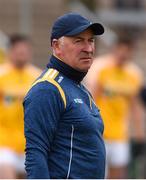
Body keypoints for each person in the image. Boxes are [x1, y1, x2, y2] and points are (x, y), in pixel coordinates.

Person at [23, 12, 106, 179]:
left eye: (91, 40)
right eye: (78, 41)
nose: (88, 48)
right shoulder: (48, 89)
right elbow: (35, 154)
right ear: (56, 46)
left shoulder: (78, 86)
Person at [84, 37, 145, 178]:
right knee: (98, 174)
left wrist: (139, 133)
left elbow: (135, 107)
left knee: (118, 175)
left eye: (128, 51)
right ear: (115, 49)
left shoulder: (134, 74)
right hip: (100, 133)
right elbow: (90, 99)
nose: (124, 54)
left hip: (120, 134)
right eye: (121, 50)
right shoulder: (100, 68)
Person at [0, 34, 41, 178]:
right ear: (10, 51)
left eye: (25, 51)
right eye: (18, 50)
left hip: (29, 144)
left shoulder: (38, 76)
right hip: (4, 142)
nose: (22, 54)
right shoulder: (2, 75)